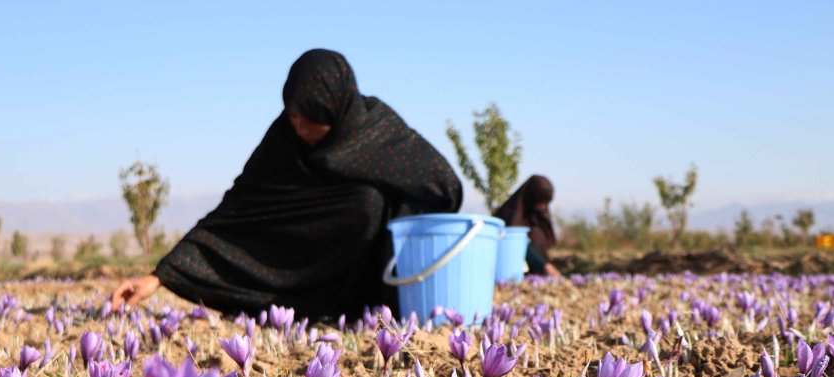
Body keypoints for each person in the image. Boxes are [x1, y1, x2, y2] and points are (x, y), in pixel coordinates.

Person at [111, 49, 462, 319]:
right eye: (293, 116)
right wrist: (160, 277)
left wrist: (398, 211)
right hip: (289, 268)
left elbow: (443, 187)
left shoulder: (375, 130)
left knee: (366, 203)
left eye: (311, 121)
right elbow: (236, 211)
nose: (300, 129)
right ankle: (291, 308)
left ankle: (353, 310)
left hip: (364, 285)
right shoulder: (284, 140)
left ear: (337, 112)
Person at [492, 175, 562, 276]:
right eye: (540, 201)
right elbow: (518, 243)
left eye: (546, 202)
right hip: (511, 273)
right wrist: (543, 265)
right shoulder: (511, 213)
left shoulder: (538, 214)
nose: (542, 206)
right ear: (532, 196)